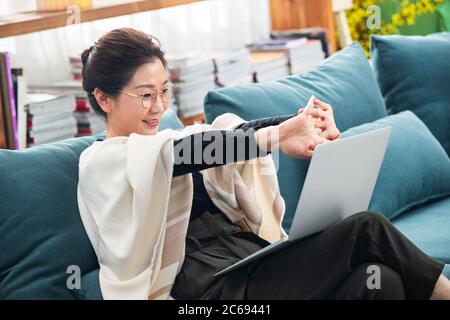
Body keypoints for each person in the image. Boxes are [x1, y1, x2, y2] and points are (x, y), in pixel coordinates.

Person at [77, 28, 450, 300]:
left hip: (249, 260)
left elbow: (227, 135)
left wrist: (300, 123)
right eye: (145, 96)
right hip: (208, 289)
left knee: (381, 282)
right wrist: (278, 137)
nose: (159, 107)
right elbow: (187, 156)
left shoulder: (168, 139)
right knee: (365, 229)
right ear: (103, 99)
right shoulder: (101, 162)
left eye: (163, 92)